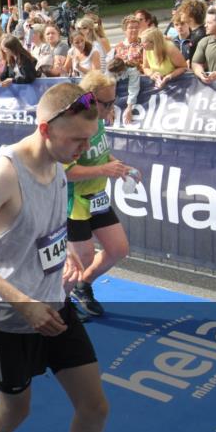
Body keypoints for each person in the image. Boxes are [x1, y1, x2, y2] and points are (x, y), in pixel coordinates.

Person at [0, 83, 107, 432]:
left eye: (90, 139)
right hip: (8, 318)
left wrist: (67, 253)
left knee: (94, 407)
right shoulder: (3, 173)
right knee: (14, 412)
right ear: (45, 129)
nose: (83, 149)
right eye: (77, 140)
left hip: (55, 308)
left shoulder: (60, 165)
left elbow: (45, 230)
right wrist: (23, 304)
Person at [65, 72, 135, 320]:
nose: (111, 107)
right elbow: (67, 172)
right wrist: (105, 170)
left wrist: (119, 166)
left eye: (114, 101)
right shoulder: (72, 126)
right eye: (107, 103)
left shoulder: (99, 121)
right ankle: (60, 303)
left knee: (118, 249)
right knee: (81, 257)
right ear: (90, 100)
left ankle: (81, 287)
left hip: (97, 196)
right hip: (73, 202)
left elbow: (102, 154)